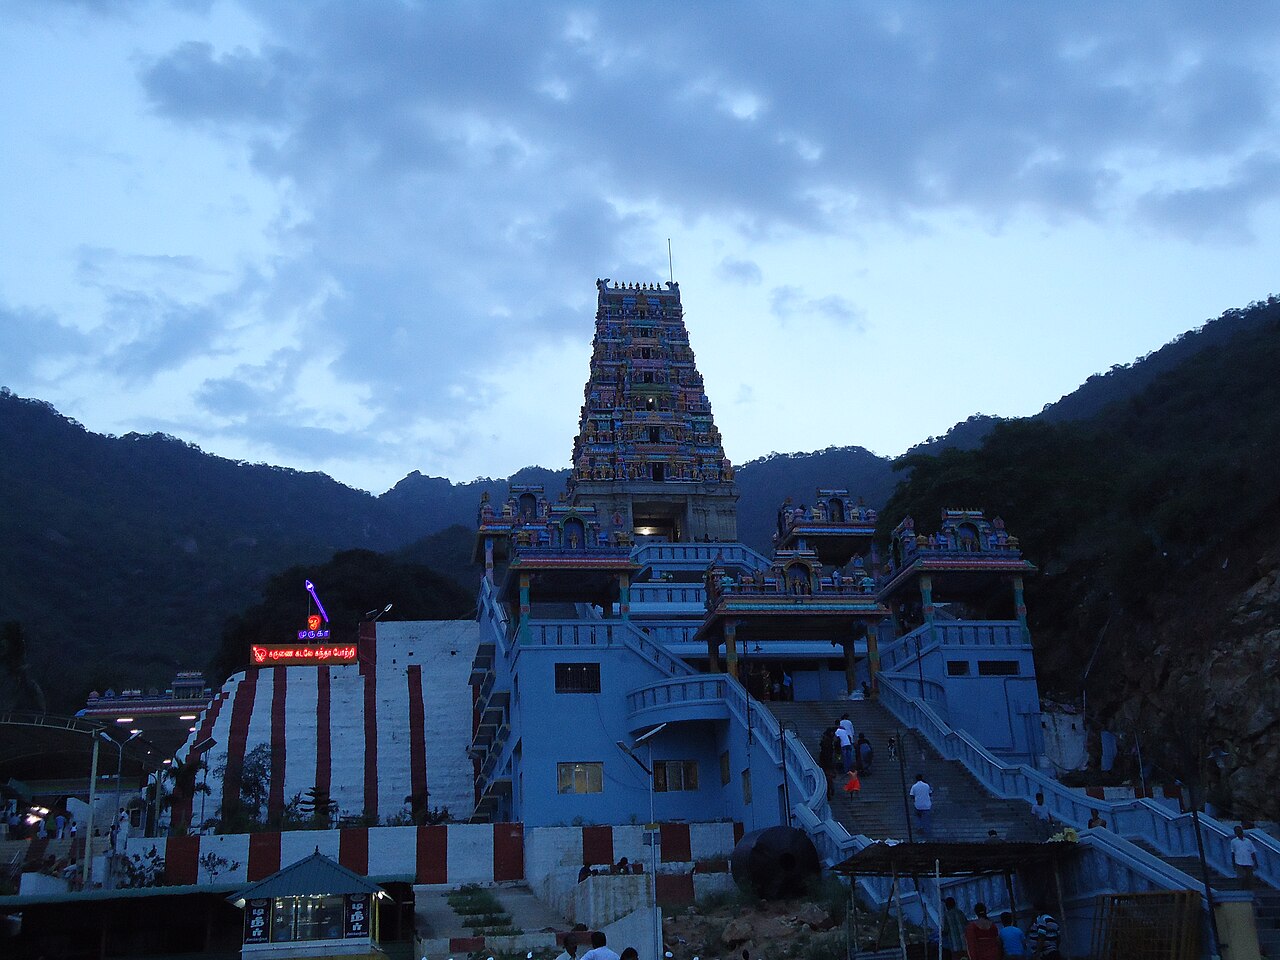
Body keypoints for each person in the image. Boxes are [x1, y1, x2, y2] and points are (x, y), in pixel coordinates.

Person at [1231, 824, 1259, 890]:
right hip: (1239, 861)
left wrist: (1255, 862)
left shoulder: (1248, 841)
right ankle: (1242, 889)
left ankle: (1250, 890)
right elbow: (1233, 853)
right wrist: (1233, 863)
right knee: (1241, 877)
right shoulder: (1233, 842)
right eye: (1236, 831)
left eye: (1239, 831)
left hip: (1248, 861)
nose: (1238, 832)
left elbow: (1252, 852)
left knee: (1250, 878)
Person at [909, 774, 933, 839]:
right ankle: (927, 830)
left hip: (918, 805)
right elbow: (930, 793)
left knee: (917, 816)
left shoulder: (914, 786)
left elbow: (911, 795)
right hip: (927, 805)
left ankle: (919, 828)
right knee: (926, 818)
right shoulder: (926, 785)